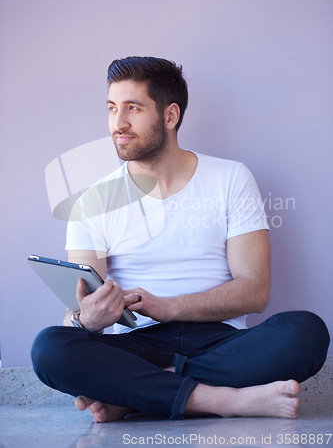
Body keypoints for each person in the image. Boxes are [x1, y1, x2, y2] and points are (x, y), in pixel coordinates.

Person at [31, 56, 330, 423]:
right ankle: (225, 400)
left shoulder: (231, 179)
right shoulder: (93, 201)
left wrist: (169, 307)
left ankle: (137, 394)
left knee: (306, 332)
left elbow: (255, 291)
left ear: (170, 116)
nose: (117, 124)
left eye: (133, 108)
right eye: (112, 108)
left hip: (218, 341)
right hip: (136, 344)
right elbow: (76, 308)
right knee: (50, 347)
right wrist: (85, 321)